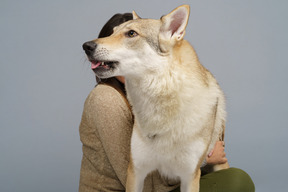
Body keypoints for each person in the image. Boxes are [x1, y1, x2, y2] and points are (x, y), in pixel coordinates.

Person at [78, 13, 255, 192]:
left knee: (232, 178)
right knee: (237, 182)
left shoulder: (156, 97)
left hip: (169, 185)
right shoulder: (105, 99)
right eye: (111, 36)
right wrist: (204, 160)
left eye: (130, 34)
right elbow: (143, 183)